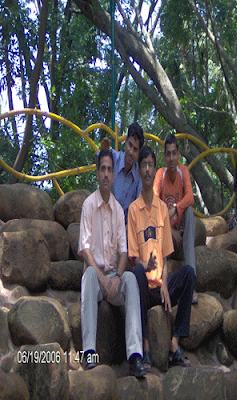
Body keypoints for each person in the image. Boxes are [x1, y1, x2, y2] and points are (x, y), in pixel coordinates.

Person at [78, 148, 147, 377]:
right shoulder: (88, 205)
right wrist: (101, 277)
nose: (106, 174)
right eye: (103, 169)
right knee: (87, 275)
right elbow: (84, 249)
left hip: (113, 280)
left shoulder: (118, 210)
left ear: (113, 175)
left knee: (130, 278)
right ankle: (89, 352)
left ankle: (135, 356)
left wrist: (117, 277)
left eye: (109, 169)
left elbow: (124, 252)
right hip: (96, 280)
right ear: (97, 174)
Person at [128, 145, 195, 371]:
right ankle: (145, 346)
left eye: (150, 165)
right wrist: (145, 266)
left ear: (154, 168)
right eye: (143, 165)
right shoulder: (133, 211)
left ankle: (175, 342)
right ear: (139, 171)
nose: (147, 170)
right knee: (137, 272)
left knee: (188, 274)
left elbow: (166, 254)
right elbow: (133, 258)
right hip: (143, 288)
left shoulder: (162, 210)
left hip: (161, 286)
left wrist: (165, 283)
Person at [153, 133, 198, 304]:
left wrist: (174, 210)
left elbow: (190, 197)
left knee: (190, 212)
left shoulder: (183, 170)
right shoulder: (160, 174)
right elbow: (155, 203)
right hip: (166, 234)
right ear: (164, 156)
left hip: (181, 233)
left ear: (178, 154)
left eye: (174, 153)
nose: (171, 158)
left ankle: (191, 283)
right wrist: (169, 229)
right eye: (168, 154)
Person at [99, 122, 144, 224]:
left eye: (135, 149)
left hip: (126, 227)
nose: (131, 152)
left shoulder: (139, 174)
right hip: (105, 219)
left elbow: (138, 207)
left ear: (139, 152)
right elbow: (99, 168)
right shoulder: (113, 157)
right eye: (130, 145)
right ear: (126, 141)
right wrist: (103, 154)